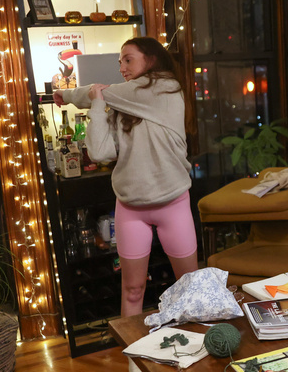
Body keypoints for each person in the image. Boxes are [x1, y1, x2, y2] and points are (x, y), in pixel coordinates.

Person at [53, 37, 198, 316]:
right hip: (130, 207)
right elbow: (100, 153)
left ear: (151, 60)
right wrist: (97, 107)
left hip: (173, 203)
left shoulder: (166, 88)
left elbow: (93, 92)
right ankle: (132, 360)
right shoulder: (123, 102)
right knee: (132, 290)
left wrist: (67, 95)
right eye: (119, 62)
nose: (121, 67)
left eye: (128, 59)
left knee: (190, 288)